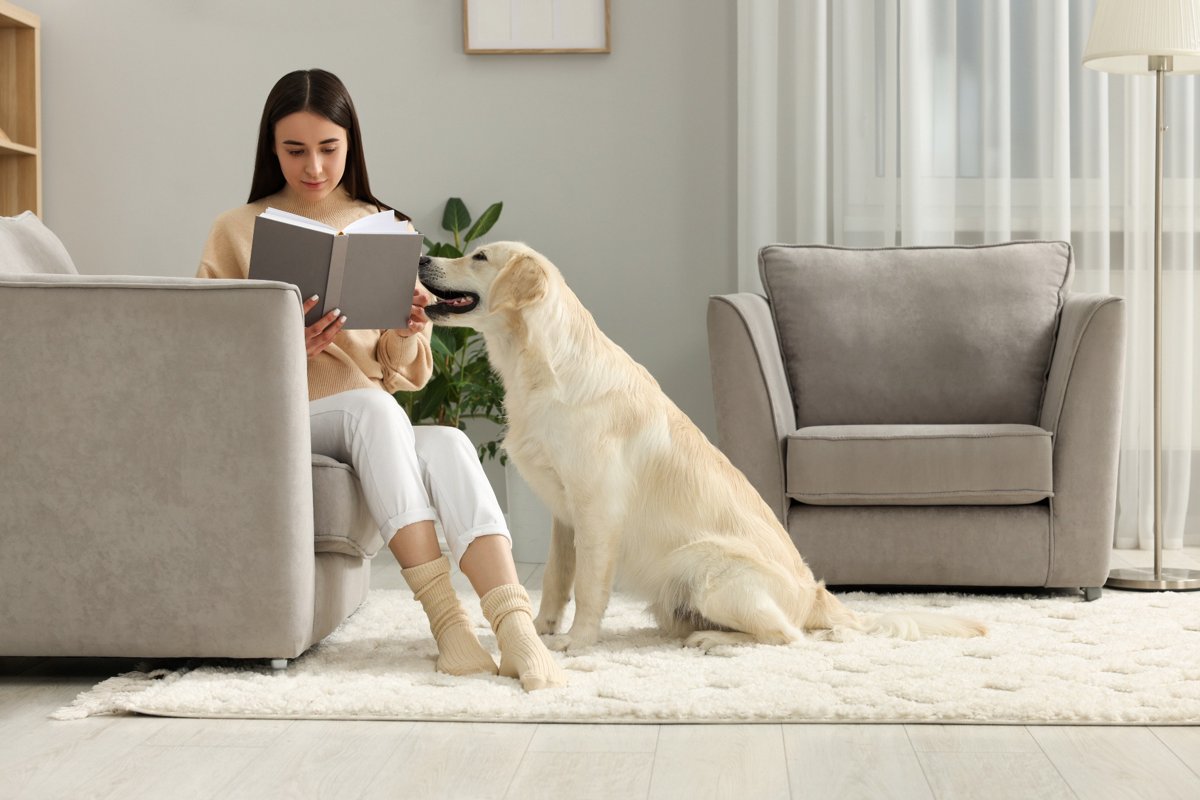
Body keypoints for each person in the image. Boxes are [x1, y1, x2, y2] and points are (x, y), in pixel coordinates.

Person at [197, 68, 566, 692]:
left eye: (328, 149)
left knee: (443, 441)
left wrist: (407, 324)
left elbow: (403, 374)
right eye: (294, 150)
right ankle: (448, 625)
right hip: (287, 417)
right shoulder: (236, 230)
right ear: (271, 148)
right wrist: (288, 345)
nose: (313, 166)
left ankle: (513, 630)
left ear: (351, 143)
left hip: (372, 416)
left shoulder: (384, 226)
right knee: (371, 410)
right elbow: (207, 357)